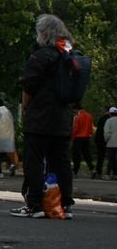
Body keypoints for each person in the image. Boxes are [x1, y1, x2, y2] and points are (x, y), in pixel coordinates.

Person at [9, 14, 76, 218]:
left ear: (43, 33)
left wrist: (26, 109)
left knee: (34, 160)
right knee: (61, 161)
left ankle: (35, 203)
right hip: (63, 118)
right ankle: (64, 203)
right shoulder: (70, 55)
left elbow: (29, 85)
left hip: (40, 117)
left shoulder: (41, 55)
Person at [71, 104, 95, 178]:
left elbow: (76, 128)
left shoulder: (77, 117)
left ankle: (75, 172)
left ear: (76, 110)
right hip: (87, 137)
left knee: (76, 156)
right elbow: (91, 127)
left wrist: (73, 137)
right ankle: (92, 169)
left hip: (78, 138)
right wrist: (90, 135)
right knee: (87, 155)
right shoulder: (89, 116)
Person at [94, 105, 111, 179]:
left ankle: (99, 172)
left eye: (103, 109)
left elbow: (100, 131)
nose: (102, 111)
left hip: (101, 140)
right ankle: (109, 172)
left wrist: (97, 140)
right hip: (108, 141)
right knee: (111, 157)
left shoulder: (103, 119)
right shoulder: (109, 119)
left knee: (100, 157)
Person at [104, 107, 117, 180]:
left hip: (111, 143)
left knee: (111, 159)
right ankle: (115, 174)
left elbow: (107, 133)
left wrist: (106, 140)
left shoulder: (108, 121)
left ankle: (110, 173)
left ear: (110, 113)